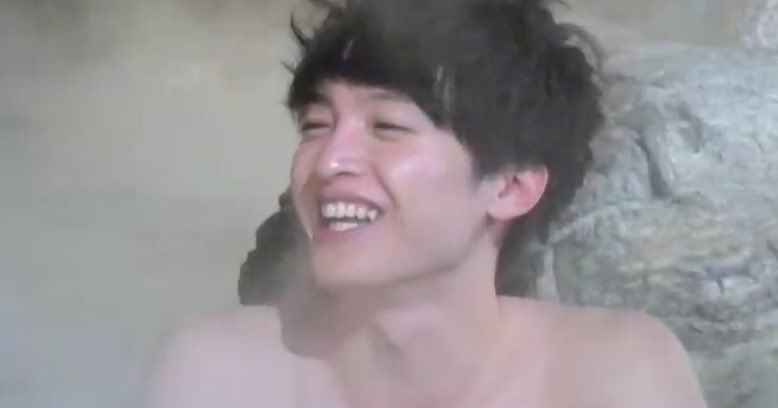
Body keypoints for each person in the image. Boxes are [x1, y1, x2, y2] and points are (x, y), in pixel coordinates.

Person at [148, 0, 709, 407]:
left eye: (387, 126)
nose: (329, 161)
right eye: (316, 125)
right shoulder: (221, 375)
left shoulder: (607, 377)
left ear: (511, 187)